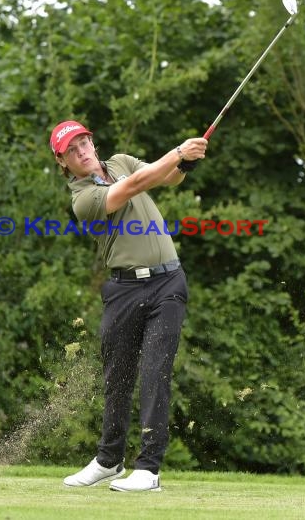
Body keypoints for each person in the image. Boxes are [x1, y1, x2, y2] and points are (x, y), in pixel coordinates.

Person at [49, 120, 207, 492]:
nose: (83, 150)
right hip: (123, 291)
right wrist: (179, 152)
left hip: (168, 282)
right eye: (73, 149)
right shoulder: (83, 199)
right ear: (63, 162)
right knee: (117, 380)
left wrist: (184, 164)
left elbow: (164, 178)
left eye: (85, 142)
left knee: (155, 372)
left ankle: (148, 469)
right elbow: (135, 186)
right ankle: (109, 461)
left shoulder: (120, 160)